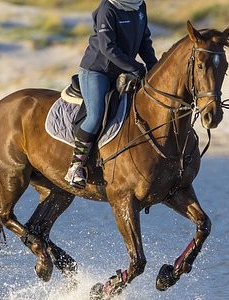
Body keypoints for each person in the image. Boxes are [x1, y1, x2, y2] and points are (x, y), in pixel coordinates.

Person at [64, 0, 158, 188]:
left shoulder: (139, 5)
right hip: (97, 70)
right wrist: (136, 67)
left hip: (123, 70)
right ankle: (75, 167)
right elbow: (108, 48)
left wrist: (154, 67)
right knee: (96, 115)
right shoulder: (108, 8)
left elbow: (144, 42)